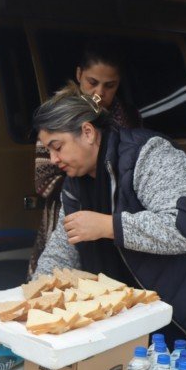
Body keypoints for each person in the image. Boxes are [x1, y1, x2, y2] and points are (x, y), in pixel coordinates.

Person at [31, 92, 186, 352]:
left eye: (57, 147)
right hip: (151, 311)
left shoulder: (147, 154)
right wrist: (34, 298)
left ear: (87, 132)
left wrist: (108, 226)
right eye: (48, 149)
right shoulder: (74, 186)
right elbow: (61, 250)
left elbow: (185, 229)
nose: (53, 159)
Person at [29, 41, 142, 276]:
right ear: (79, 74)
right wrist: (86, 168)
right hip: (69, 219)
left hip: (119, 224)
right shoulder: (58, 116)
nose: (99, 93)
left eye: (109, 85)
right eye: (93, 82)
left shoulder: (129, 118)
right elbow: (43, 182)